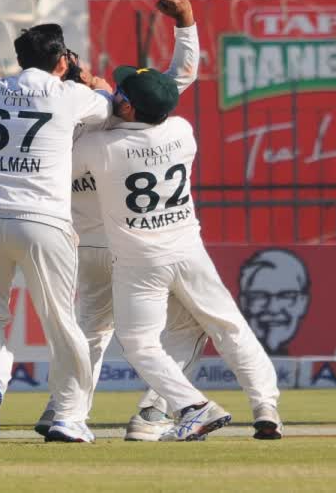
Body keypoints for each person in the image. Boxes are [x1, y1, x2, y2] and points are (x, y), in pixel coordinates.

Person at [33, 0, 212, 442]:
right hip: (133, 245)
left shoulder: (52, 118)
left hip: (83, 244)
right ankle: (152, 414)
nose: (98, 74)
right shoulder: (116, 111)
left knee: (90, 333)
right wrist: (186, 25)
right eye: (88, 69)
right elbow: (179, 78)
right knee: (188, 324)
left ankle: (63, 409)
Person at [73, 66, 283, 441]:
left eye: (122, 93)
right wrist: (114, 96)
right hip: (188, 250)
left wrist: (97, 95)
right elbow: (130, 116)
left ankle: (192, 406)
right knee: (229, 326)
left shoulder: (99, 147)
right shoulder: (182, 131)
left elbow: (78, 149)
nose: (115, 94)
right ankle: (265, 405)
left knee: (139, 343)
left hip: (139, 262)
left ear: (131, 108)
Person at [0, 2, 112, 443]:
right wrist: (81, 75)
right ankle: (68, 416)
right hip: (43, 219)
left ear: (20, 60)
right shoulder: (70, 94)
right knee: (61, 322)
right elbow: (112, 105)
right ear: (61, 60)